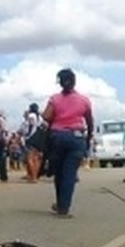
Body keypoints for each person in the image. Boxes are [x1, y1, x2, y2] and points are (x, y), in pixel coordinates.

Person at [42, 68, 93, 217]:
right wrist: (88, 138)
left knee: (59, 174)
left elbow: (46, 116)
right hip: (77, 138)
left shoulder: (55, 99)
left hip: (57, 137)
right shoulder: (84, 100)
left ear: (60, 83)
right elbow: (90, 121)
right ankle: (64, 208)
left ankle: (60, 203)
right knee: (70, 175)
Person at [23, 103, 44, 183]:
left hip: (31, 137)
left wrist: (27, 134)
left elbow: (30, 126)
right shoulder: (40, 117)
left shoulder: (31, 116)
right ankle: (35, 176)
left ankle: (33, 177)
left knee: (30, 158)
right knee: (36, 159)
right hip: (39, 139)